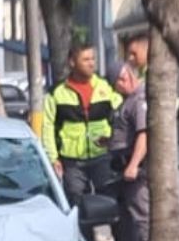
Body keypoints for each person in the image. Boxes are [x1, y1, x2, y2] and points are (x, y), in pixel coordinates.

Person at [41, 45, 124, 227]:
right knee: (78, 208)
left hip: (102, 157)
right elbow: (47, 127)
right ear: (72, 62)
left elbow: (122, 115)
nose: (91, 63)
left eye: (93, 59)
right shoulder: (57, 93)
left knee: (112, 204)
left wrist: (114, 140)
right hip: (72, 162)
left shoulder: (105, 87)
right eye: (86, 60)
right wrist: (53, 158)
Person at [111, 36, 152, 241]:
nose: (119, 85)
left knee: (141, 213)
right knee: (128, 214)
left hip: (134, 167)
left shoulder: (139, 99)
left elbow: (143, 134)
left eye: (119, 80)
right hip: (122, 164)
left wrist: (134, 164)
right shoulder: (127, 101)